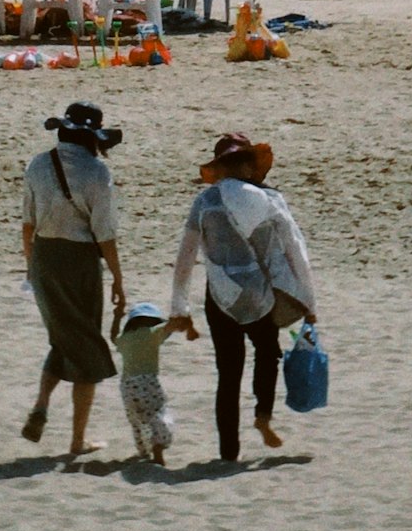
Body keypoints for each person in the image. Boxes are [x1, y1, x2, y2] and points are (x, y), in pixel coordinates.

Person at [171, 132, 318, 462]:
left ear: (220, 168)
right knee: (267, 354)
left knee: (228, 375)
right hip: (259, 295)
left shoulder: (205, 202)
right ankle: (263, 416)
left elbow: (185, 257)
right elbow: (295, 251)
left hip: (219, 296)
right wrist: (310, 302)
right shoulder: (269, 200)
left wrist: (178, 305)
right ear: (249, 166)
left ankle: (228, 453)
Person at [21, 101, 126, 457]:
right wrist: (118, 280)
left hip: (44, 258)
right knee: (88, 348)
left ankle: (41, 404)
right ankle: (77, 440)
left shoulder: (37, 165)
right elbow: (105, 233)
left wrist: (32, 269)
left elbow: (27, 224)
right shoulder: (97, 173)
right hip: (80, 262)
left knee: (64, 339)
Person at [112, 301, 198, 465]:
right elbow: (173, 325)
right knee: (158, 414)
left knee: (137, 421)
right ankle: (158, 450)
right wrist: (187, 321)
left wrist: (117, 317)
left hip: (126, 386)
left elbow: (112, 337)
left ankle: (144, 452)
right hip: (148, 381)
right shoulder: (152, 333)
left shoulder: (124, 339)